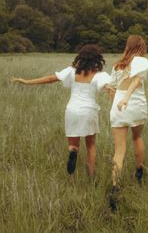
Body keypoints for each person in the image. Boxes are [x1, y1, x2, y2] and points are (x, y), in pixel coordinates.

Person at [12, 44, 111, 177]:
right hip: (89, 111)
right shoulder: (99, 75)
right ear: (97, 59)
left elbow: (50, 79)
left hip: (71, 110)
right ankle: (91, 176)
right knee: (91, 145)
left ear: (81, 57)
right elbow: (109, 86)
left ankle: (73, 151)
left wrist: (26, 81)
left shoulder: (71, 71)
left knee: (73, 144)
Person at [109, 35, 148, 211]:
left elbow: (111, 88)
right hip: (134, 103)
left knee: (119, 150)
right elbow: (137, 80)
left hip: (118, 106)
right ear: (141, 47)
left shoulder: (117, 66)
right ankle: (139, 172)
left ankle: (115, 186)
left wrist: (119, 97)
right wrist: (126, 97)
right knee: (137, 137)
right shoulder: (141, 60)